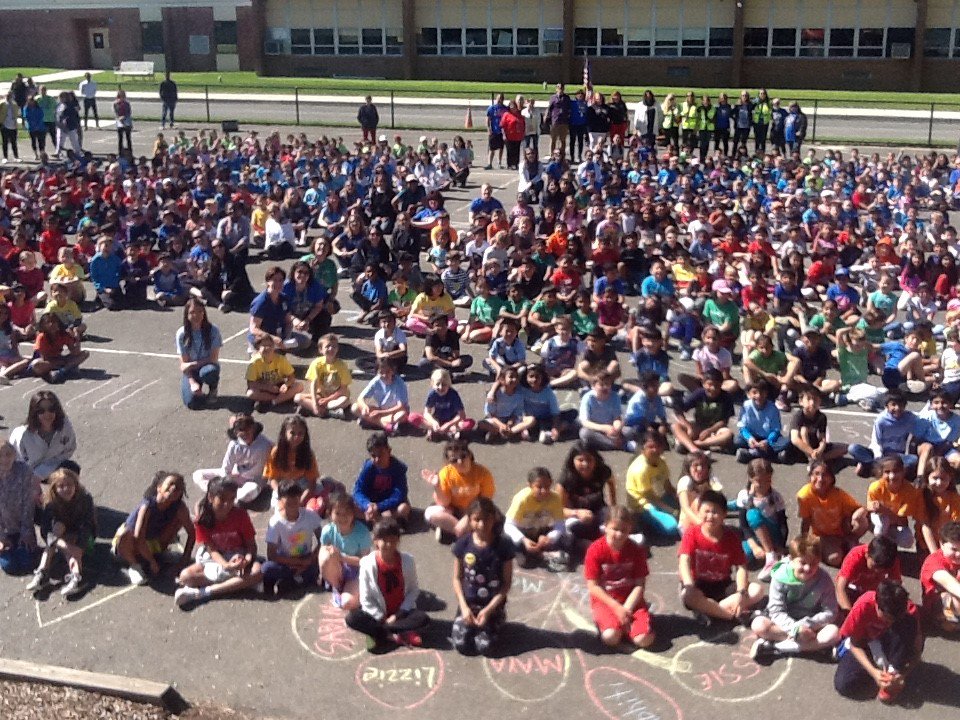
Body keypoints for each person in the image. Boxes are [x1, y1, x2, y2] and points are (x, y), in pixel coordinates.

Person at [679, 489, 765, 624]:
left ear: (724, 514)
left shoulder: (731, 537)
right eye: (706, 511)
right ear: (699, 512)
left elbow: (741, 567)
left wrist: (741, 593)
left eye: (715, 512)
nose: (710, 516)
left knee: (757, 590)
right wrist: (689, 585)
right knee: (687, 596)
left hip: (722, 584)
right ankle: (731, 615)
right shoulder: (692, 533)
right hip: (698, 585)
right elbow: (684, 560)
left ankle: (712, 611)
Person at [174, 477, 262, 608]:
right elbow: (212, 550)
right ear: (210, 497)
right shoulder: (202, 520)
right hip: (215, 559)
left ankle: (204, 592)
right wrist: (226, 565)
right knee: (185, 576)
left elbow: (251, 546)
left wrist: (246, 560)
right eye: (222, 499)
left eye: (232, 499)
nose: (227, 504)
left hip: (238, 556)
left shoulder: (240, 515)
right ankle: (238, 584)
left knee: (257, 572)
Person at [749, 535, 840, 662]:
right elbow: (776, 610)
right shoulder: (780, 576)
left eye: (813, 563)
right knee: (758, 625)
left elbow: (831, 611)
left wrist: (806, 625)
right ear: (791, 560)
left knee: (833, 632)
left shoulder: (824, 580)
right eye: (802, 563)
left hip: (811, 624)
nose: (808, 568)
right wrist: (795, 630)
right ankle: (813, 647)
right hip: (784, 624)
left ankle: (775, 647)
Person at [346, 518, 428, 651]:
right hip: (379, 615)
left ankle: (383, 634)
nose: (389, 544)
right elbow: (366, 599)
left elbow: (413, 590)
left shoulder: (407, 561)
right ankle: (397, 632)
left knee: (422, 619)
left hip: (401, 614)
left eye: (393, 540)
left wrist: (397, 615)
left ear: (398, 540)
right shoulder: (367, 564)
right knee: (352, 618)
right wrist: (382, 618)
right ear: (376, 541)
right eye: (384, 540)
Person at [834, 580, 922, 703]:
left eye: (895, 618)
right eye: (887, 618)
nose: (890, 622)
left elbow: (918, 650)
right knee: (843, 684)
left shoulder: (910, 612)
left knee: (907, 625)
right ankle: (880, 674)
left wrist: (903, 675)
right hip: (866, 643)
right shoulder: (863, 605)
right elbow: (855, 643)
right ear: (877, 605)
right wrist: (873, 672)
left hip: (892, 643)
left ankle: (892, 673)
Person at [584, 505, 654, 649]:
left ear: (630, 529)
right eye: (615, 529)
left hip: (631, 602)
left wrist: (626, 609)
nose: (619, 534)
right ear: (605, 527)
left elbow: (639, 584)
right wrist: (617, 608)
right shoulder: (595, 550)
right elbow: (593, 586)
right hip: (606, 602)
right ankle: (618, 627)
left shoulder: (636, 550)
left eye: (624, 530)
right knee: (610, 638)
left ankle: (631, 627)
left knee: (644, 640)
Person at [451, 497, 514, 656]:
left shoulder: (504, 545)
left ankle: (498, 619)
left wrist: (488, 610)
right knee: (461, 645)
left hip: (492, 607)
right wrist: (464, 608)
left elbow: (506, 584)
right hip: (469, 605)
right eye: (476, 519)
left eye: (486, 519)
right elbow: (457, 578)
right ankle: (470, 620)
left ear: (494, 518)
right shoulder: (463, 544)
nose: (482, 524)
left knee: (484, 647)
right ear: (470, 520)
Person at [113, 471, 195, 586]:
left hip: (151, 542)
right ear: (159, 487)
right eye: (170, 484)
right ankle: (135, 565)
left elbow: (191, 533)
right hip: (131, 545)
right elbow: (138, 538)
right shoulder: (147, 507)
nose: (174, 488)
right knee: (125, 534)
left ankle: (159, 553)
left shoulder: (179, 508)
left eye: (178, 487)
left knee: (179, 519)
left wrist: (184, 560)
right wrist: (152, 562)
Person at [27, 467, 96, 598]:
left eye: (69, 485)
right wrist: (63, 545)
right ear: (54, 489)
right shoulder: (51, 504)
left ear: (76, 485)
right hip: (62, 538)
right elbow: (45, 530)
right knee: (58, 528)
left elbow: (88, 525)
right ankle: (42, 572)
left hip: (83, 538)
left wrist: (79, 547)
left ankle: (76, 576)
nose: (66, 489)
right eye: (61, 486)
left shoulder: (85, 499)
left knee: (71, 542)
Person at [797, 461, 869, 567]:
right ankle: (833, 549)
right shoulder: (804, 496)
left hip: (842, 531)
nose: (820, 479)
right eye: (816, 474)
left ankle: (849, 542)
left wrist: (856, 516)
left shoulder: (837, 494)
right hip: (823, 535)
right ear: (810, 475)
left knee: (862, 519)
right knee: (835, 559)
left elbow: (859, 508)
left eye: (825, 475)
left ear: (831, 478)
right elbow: (806, 520)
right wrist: (803, 545)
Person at [260, 479, 323, 597]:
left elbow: (323, 540)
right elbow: (272, 555)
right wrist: (299, 562)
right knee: (267, 568)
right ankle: (293, 581)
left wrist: (312, 558)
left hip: (306, 558)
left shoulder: (310, 516)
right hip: (285, 561)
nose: (292, 500)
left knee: (318, 567)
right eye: (288, 497)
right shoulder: (276, 522)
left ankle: (292, 581)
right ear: (280, 500)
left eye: (295, 496)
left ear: (300, 497)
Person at [193, 413, 274, 504]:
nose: (245, 435)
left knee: (250, 491)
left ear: (253, 428)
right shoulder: (234, 445)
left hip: (254, 481)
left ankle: (229, 498)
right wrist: (226, 484)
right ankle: (218, 494)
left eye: (248, 430)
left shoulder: (265, 444)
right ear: (236, 432)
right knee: (198, 475)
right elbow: (226, 469)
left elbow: (276, 457)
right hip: (235, 476)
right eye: (241, 432)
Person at [423, 440, 495, 541]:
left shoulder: (483, 473)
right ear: (449, 462)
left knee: (492, 519)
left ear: (469, 455)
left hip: (474, 510)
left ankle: (451, 530)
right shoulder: (445, 473)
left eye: (463, 456)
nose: (460, 462)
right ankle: (465, 533)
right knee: (430, 513)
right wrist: (437, 486)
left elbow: (485, 500)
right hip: (453, 510)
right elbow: (444, 502)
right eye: (454, 460)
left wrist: (468, 515)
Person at [505, 467, 572, 571]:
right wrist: (523, 540)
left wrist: (549, 538)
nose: (544, 491)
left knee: (567, 542)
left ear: (551, 483)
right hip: (524, 532)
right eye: (539, 487)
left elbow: (560, 524)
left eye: (547, 486)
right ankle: (541, 554)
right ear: (530, 486)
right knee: (524, 562)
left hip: (542, 530)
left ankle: (542, 552)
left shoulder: (555, 498)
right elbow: (508, 525)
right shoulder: (522, 499)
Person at [319, 493, 371, 611]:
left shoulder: (362, 532)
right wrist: (323, 572)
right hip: (338, 569)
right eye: (338, 513)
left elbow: (366, 562)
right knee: (326, 555)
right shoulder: (328, 531)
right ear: (330, 513)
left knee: (347, 603)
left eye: (346, 513)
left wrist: (342, 557)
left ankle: (354, 590)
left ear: (353, 514)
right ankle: (336, 585)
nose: (342, 517)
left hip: (357, 571)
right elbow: (322, 555)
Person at [625, 430, 679, 540]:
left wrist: (678, 497)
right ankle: (641, 520)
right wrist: (670, 510)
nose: (655, 450)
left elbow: (667, 484)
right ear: (642, 448)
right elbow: (649, 497)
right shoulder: (641, 469)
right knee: (672, 528)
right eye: (650, 447)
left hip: (660, 496)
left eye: (658, 446)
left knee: (688, 507)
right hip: (644, 504)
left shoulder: (661, 461)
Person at [9, 391, 76, 481]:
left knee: (73, 469)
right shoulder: (21, 435)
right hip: (27, 475)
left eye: (51, 409)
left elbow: (69, 449)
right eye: (41, 411)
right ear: (34, 413)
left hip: (52, 467)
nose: (47, 414)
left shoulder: (65, 425)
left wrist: (45, 469)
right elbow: (14, 462)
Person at [353, 432, 412, 528]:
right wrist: (367, 505)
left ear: (389, 451)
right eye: (373, 456)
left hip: (388, 505)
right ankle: (381, 520)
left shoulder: (398, 468)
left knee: (403, 509)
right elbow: (358, 490)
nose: (376, 459)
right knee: (348, 506)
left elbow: (399, 495)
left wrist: (379, 506)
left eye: (380, 455)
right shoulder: (368, 467)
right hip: (371, 503)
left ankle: (376, 519)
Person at [263, 415, 321, 509]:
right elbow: (272, 479)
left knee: (319, 498)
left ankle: (328, 484)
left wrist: (301, 501)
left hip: (301, 483)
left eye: (300, 433)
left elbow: (312, 482)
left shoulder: (308, 453)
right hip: (283, 485)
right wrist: (281, 494)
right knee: (277, 507)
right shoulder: (276, 452)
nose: (296, 437)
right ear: (284, 433)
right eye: (292, 433)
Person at [867, 455, 924, 549]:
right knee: (881, 527)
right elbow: (869, 506)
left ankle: (888, 541)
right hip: (881, 516)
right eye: (887, 472)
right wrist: (874, 507)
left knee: (908, 541)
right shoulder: (875, 487)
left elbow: (901, 521)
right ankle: (880, 546)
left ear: (903, 471)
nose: (892, 476)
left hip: (896, 520)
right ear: (881, 473)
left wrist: (884, 510)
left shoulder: (910, 491)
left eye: (896, 471)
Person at [0, 440, 39, 576]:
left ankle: (23, 545)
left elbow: (28, 504)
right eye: (0, 455)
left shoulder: (24, 471)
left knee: (26, 562)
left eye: (8, 454)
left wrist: (26, 532)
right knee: (9, 565)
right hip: (3, 528)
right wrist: (1, 537)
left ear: (14, 455)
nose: (4, 459)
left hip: (22, 525)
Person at [175, 298, 222, 410]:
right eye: (192, 312)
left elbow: (213, 359)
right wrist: (192, 383)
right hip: (191, 372)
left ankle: (213, 389)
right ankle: (198, 390)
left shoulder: (213, 330)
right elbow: (184, 363)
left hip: (207, 367)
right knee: (192, 403)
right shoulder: (182, 334)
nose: (196, 315)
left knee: (210, 371)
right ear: (187, 314)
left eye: (200, 311)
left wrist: (192, 364)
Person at [836, 536, 902, 615]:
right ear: (867, 555)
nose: (878, 571)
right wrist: (850, 615)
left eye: (883, 569)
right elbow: (840, 587)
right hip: (852, 588)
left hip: (873, 592)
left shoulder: (890, 561)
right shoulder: (855, 555)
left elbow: (895, 587)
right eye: (875, 566)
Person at [295, 334, 351, 419]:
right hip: (320, 395)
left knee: (345, 401)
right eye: (328, 346)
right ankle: (326, 411)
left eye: (334, 346)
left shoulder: (342, 365)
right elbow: (313, 384)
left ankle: (315, 410)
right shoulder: (316, 363)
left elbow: (343, 388)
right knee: (297, 397)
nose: (331, 349)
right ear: (321, 350)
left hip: (336, 397)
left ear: (337, 349)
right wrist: (314, 403)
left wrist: (328, 399)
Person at [409, 368, 474, 441]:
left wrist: (449, 424)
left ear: (449, 384)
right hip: (437, 419)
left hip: (452, 420)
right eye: (437, 384)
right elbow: (426, 412)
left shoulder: (453, 394)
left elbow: (462, 415)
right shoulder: (432, 394)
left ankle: (443, 431)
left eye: (444, 384)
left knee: (469, 423)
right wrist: (433, 423)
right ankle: (442, 431)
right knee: (412, 417)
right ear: (432, 384)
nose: (440, 387)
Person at [919, 521, 960, 632]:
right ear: (941, 544)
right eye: (954, 549)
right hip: (936, 605)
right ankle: (945, 622)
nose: (958, 554)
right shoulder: (934, 563)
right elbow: (955, 588)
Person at [352, 357, 410, 434]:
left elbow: (401, 406)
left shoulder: (399, 383)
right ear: (377, 372)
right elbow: (360, 398)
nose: (384, 375)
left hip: (396, 411)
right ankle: (385, 425)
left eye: (388, 372)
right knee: (355, 408)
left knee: (401, 415)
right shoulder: (376, 381)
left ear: (393, 370)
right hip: (381, 411)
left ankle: (371, 422)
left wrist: (380, 413)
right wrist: (364, 406)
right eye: (381, 372)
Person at [246, 334, 302, 413]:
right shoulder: (254, 362)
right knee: (250, 393)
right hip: (263, 387)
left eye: (270, 345)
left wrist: (286, 385)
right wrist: (268, 387)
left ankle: (272, 402)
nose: (267, 348)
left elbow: (291, 377)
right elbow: (251, 384)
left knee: (299, 386)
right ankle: (283, 399)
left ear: (274, 347)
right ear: (257, 348)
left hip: (279, 385)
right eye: (264, 346)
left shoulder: (280, 359)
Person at [547, 83, 571, 158]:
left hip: (564, 121)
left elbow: (569, 109)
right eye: (559, 87)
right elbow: (549, 109)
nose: (560, 89)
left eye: (562, 88)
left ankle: (562, 155)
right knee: (553, 139)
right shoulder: (553, 98)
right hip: (555, 121)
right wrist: (548, 118)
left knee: (562, 140)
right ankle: (552, 155)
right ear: (556, 88)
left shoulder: (567, 98)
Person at [485, 92, 507, 170]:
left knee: (501, 148)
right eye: (498, 98)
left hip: (501, 131)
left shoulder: (505, 109)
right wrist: (489, 129)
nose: (499, 100)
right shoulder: (492, 108)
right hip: (494, 131)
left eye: (501, 98)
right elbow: (488, 119)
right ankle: (489, 163)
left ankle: (499, 163)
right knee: (492, 148)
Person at [113, 90, 133, 156]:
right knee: (120, 139)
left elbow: (129, 112)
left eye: (123, 96)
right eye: (120, 96)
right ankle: (120, 153)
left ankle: (130, 153)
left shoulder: (127, 103)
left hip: (126, 120)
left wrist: (124, 117)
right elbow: (116, 112)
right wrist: (119, 118)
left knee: (128, 138)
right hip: (119, 121)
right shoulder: (115, 103)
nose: (121, 97)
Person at [0, 92, 19, 162]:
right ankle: (5, 157)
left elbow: (17, 113)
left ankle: (16, 157)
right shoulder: (2, 103)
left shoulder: (14, 104)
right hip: (4, 125)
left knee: (14, 142)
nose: (8, 97)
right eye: (7, 96)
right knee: (5, 142)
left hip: (13, 125)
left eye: (10, 96)